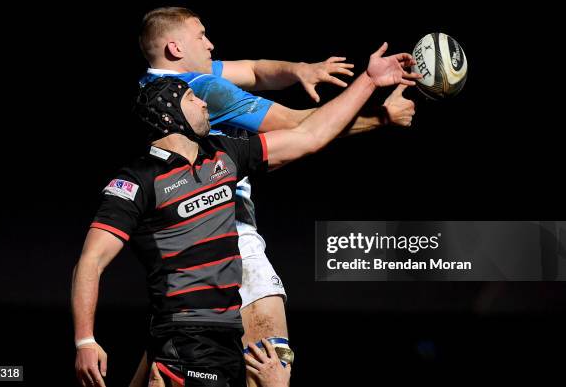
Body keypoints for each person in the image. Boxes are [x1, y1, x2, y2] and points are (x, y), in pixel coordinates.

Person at [72, 45, 420, 387]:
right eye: (193, 100)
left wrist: (369, 82)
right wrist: (85, 340)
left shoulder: (225, 156)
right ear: (169, 115)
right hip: (186, 335)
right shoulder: (136, 181)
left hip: (224, 334)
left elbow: (309, 134)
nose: (205, 102)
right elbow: (91, 261)